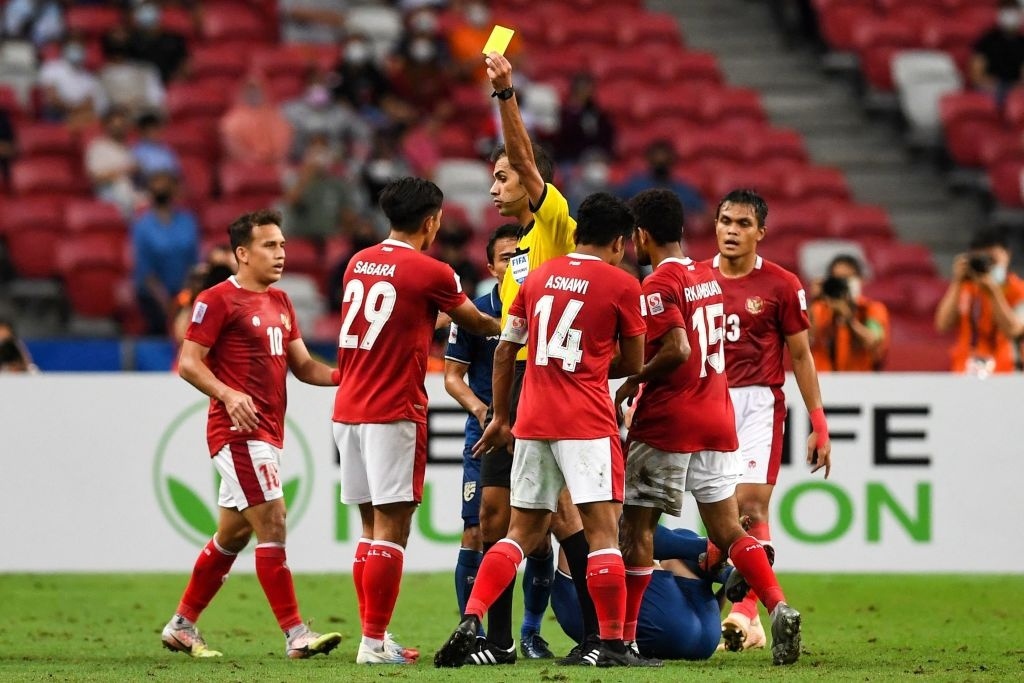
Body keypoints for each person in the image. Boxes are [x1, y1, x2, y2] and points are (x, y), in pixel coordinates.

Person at [434, 192, 649, 669]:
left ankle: (473, 618)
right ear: (619, 242)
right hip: (586, 421)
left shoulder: (534, 277)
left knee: (517, 533)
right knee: (602, 533)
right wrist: (594, 363)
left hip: (530, 417)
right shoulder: (622, 284)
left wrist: (502, 417)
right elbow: (635, 362)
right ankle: (612, 644)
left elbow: (504, 350)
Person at [616, 188, 802, 666]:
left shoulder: (658, 284)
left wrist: (632, 378)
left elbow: (676, 350)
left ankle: (626, 640)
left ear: (641, 235)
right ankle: (777, 605)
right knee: (728, 527)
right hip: (717, 416)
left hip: (670, 419)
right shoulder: (705, 279)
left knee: (636, 527)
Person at [332, 176, 500, 665]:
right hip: (392, 409)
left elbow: (401, 314)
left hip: (348, 408)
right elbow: (477, 323)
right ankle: (372, 642)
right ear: (431, 221)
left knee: (370, 528)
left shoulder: (358, 262)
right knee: (393, 528)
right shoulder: (434, 271)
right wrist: (516, 324)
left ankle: (375, 636)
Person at [161, 209, 343, 659]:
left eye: (282, 245)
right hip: (238, 431)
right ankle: (296, 634)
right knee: (274, 520)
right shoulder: (217, 300)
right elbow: (189, 363)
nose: (280, 254)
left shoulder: (281, 302)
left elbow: (304, 367)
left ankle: (181, 626)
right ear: (242, 253)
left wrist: (349, 377)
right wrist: (227, 394)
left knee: (233, 535)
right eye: (269, 245)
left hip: (268, 432)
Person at [472, 50, 597, 665]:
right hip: (518, 386)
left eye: (503, 177)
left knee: (557, 517)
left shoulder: (553, 224)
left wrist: (505, 94)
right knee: (513, 515)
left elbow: (524, 155)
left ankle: (594, 636)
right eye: (493, 178)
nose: (495, 187)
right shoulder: (518, 248)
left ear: (530, 180)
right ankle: (505, 640)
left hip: (550, 384)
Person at [705, 189, 832, 655]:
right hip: (706, 402)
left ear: (761, 231)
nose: (732, 231)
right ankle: (751, 620)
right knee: (720, 520)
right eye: (725, 221)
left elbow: (800, 355)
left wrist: (818, 421)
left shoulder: (781, 284)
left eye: (743, 224)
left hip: (759, 403)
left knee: (752, 508)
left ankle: (743, 610)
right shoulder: (696, 280)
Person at [443, 223, 519, 626]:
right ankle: (469, 628)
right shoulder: (474, 313)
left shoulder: (544, 307)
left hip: (535, 428)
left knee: (543, 536)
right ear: (491, 267)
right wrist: (480, 409)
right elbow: (452, 376)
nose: (515, 265)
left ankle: (530, 631)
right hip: (486, 432)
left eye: (521, 257)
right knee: (477, 529)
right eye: (506, 258)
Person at [550, 525, 727, 662]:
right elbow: (633, 534)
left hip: (673, 630)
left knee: (629, 543)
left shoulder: (566, 592)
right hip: (706, 636)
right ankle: (726, 566)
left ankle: (717, 561)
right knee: (634, 532)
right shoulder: (590, 521)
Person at [935, 229, 1024, 375]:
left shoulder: (1019, 290)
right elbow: (942, 324)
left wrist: (993, 293)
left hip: (1005, 373)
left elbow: (1014, 330)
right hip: (965, 371)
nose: (988, 265)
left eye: (992, 260)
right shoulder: (967, 288)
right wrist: (957, 281)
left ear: (1007, 255)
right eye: (982, 260)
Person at [132, 172, 200, 336]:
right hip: (153, 298)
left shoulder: (187, 222)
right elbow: (145, 272)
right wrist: (167, 304)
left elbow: (193, 262)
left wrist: (184, 296)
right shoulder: (143, 226)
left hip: (184, 291)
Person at [809, 254, 889, 372]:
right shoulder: (819, 309)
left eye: (846, 279)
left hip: (859, 379)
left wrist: (849, 319)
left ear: (860, 280)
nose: (841, 285)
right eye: (837, 280)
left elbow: (873, 341)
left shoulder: (872, 309)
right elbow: (805, 342)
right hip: (823, 379)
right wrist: (813, 301)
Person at [615, 140, 705, 220]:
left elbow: (702, 212)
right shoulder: (634, 186)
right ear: (649, 159)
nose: (660, 160)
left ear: (672, 160)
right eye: (657, 157)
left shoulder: (684, 190)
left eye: (664, 158)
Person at [220, 77, 293, 166]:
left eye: (256, 92)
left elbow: (283, 146)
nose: (253, 95)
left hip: (274, 164)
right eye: (250, 92)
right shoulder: (231, 121)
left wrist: (274, 159)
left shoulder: (276, 117)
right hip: (244, 165)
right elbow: (234, 149)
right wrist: (253, 160)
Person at [85, 107, 140, 217]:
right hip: (109, 191)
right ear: (106, 126)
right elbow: (96, 177)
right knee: (123, 191)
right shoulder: (98, 146)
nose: (118, 128)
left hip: (132, 189)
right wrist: (124, 170)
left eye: (121, 125)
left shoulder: (130, 149)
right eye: (115, 125)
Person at [970, 0, 1024, 99]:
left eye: (1013, 12)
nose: (1010, 17)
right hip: (991, 88)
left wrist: (1016, 88)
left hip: (1014, 88)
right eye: (1006, 12)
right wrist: (989, 83)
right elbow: (976, 73)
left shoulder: (1022, 42)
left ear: (1020, 15)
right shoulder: (987, 40)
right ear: (999, 14)